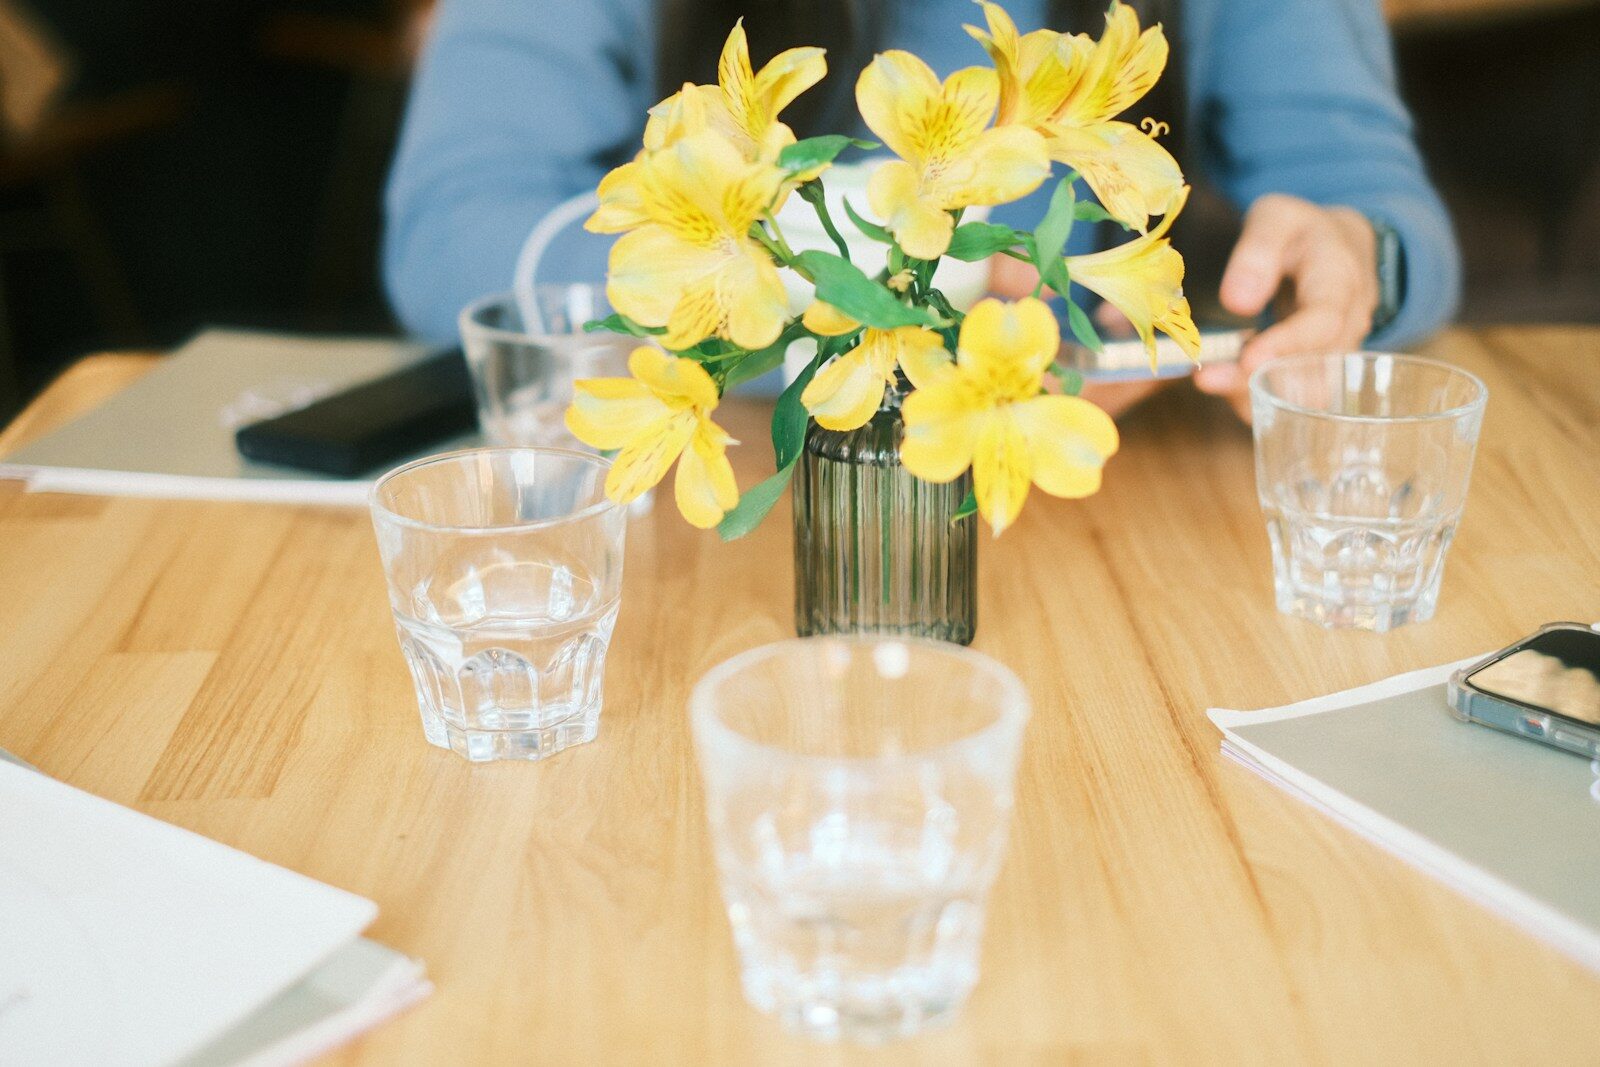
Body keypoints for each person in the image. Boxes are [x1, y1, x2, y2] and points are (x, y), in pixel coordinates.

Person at [383, 0, 1459, 422]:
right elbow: (451, 232)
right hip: (702, 532)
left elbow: (1385, 216)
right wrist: (856, 303)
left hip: (1100, 534)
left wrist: (1361, 257)